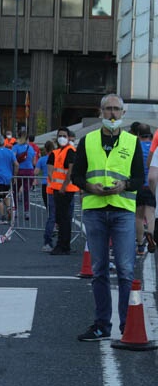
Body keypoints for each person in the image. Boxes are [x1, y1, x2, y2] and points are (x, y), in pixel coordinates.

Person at [73, 94, 143, 341]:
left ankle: (127, 326)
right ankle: (102, 324)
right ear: (100, 112)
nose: (112, 113)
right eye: (108, 109)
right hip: (94, 209)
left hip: (122, 210)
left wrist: (124, 185)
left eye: (116, 109)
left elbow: (139, 179)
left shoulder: (132, 142)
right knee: (99, 270)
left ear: (123, 113)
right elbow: (76, 175)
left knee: (125, 270)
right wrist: (88, 187)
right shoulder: (88, 140)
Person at [46, 131, 77, 255]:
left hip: (65, 189)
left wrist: (63, 187)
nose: (62, 138)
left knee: (63, 218)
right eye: (60, 136)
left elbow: (71, 170)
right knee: (62, 218)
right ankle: (64, 245)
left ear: (69, 137)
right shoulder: (58, 152)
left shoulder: (70, 151)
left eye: (64, 136)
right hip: (58, 189)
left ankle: (62, 245)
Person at [135, 124, 156, 257]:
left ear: (138, 135)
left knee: (138, 216)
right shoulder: (155, 148)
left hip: (139, 185)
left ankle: (140, 246)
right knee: (151, 213)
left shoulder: (136, 147)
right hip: (152, 184)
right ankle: (151, 234)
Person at [35, 139, 56, 252]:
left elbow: (36, 172)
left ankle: (51, 229)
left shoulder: (42, 159)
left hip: (45, 185)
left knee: (49, 209)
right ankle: (56, 227)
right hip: (56, 185)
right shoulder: (57, 157)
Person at [12, 132, 36, 221]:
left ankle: (16, 210)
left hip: (19, 171)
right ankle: (27, 212)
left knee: (15, 190)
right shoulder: (31, 148)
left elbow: (13, 159)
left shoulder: (16, 147)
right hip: (29, 171)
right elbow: (34, 162)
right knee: (26, 192)